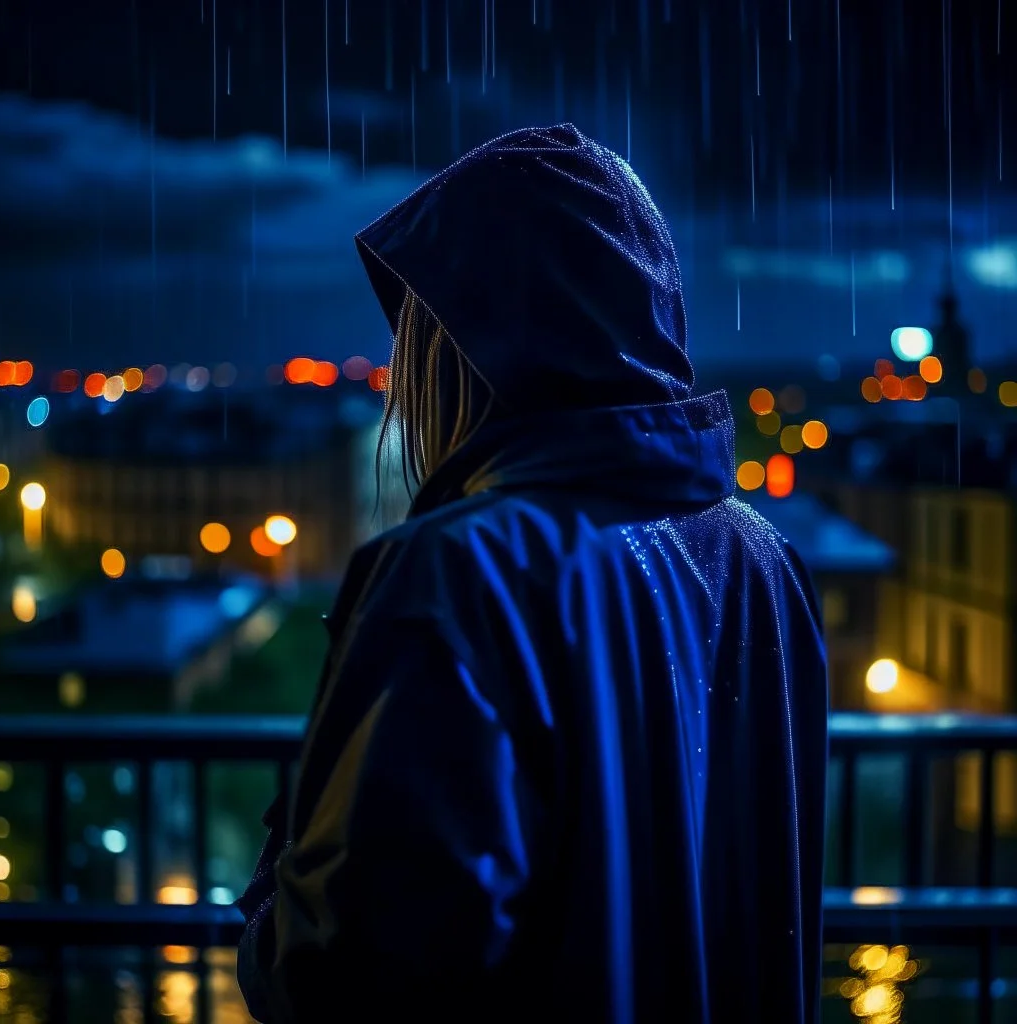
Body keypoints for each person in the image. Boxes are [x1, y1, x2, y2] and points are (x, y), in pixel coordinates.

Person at [236, 123, 828, 1024]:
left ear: (451, 355)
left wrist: (279, 879)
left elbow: (344, 979)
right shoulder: (761, 561)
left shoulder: (456, 572)